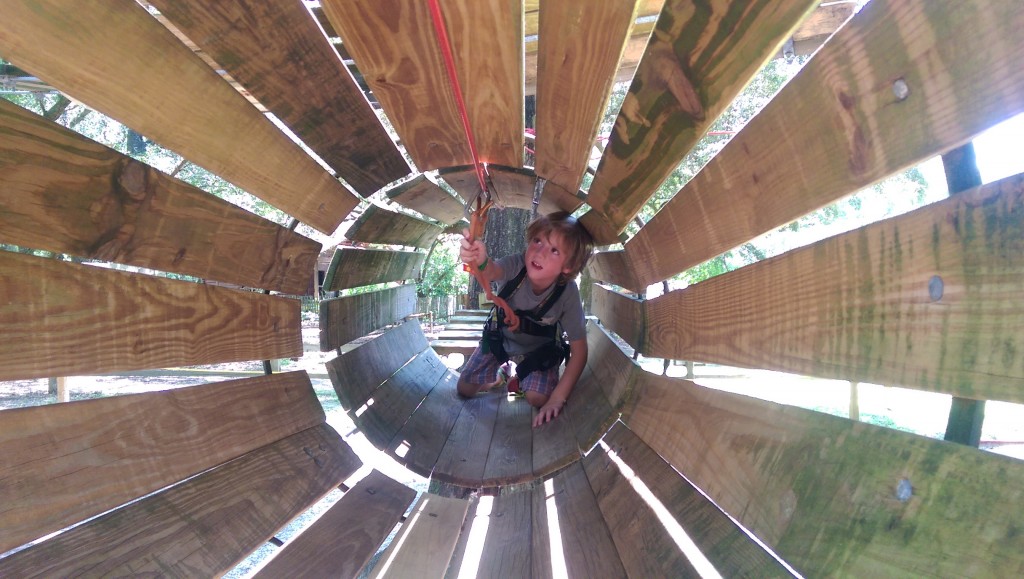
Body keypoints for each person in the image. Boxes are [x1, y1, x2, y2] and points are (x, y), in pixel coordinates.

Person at [457, 211, 593, 427]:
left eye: (554, 250)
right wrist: (480, 261)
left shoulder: (567, 293)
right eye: (537, 241)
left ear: (568, 266)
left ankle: (519, 381)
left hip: (538, 352)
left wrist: (557, 399)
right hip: (499, 340)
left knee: (538, 398)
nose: (539, 252)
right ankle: (500, 377)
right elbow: (492, 270)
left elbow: (580, 351)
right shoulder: (516, 265)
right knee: (464, 389)